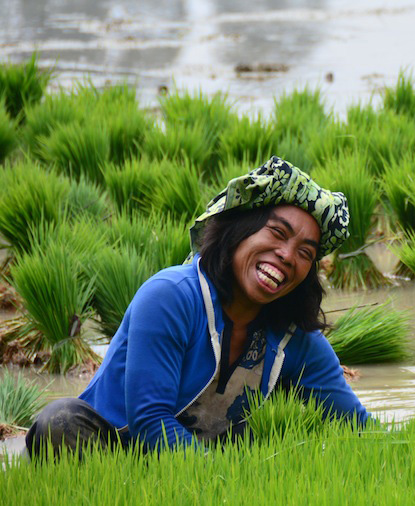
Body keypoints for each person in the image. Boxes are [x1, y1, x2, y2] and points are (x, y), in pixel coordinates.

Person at [26, 157, 369, 457]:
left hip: (205, 469)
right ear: (239, 231)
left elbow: (361, 429)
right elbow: (150, 419)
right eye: (277, 233)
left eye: (306, 253)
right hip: (119, 449)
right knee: (59, 421)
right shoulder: (170, 296)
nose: (287, 255)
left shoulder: (297, 341)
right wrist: (224, 485)